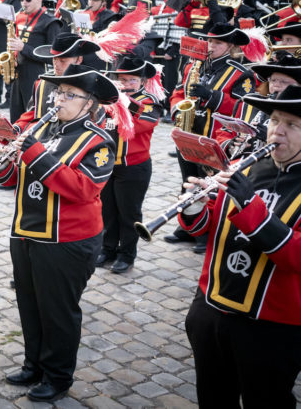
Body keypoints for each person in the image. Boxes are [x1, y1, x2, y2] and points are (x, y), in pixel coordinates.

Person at [0, 65, 119, 401]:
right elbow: (17, 179)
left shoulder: (99, 142)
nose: (58, 99)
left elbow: (83, 189)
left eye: (68, 95)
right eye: (57, 93)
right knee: (30, 304)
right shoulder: (45, 129)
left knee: (58, 310)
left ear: (89, 104)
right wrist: (3, 163)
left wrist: (31, 151)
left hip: (67, 240)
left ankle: (58, 375)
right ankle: (33, 363)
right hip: (26, 230)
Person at [179, 85, 301, 408]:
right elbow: (213, 227)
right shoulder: (246, 166)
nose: (278, 131)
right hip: (211, 309)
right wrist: (195, 208)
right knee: (213, 398)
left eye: (293, 125)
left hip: (270, 328)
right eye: (275, 120)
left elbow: (296, 255)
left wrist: (249, 203)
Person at [167, 23, 257, 251]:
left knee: (208, 184)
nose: (211, 46)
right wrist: (178, 108)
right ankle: (186, 226)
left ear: (229, 46)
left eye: (217, 43)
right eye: (210, 41)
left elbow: (242, 108)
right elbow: (178, 92)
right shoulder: (193, 65)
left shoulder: (241, 73)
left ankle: (205, 234)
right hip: (187, 133)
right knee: (187, 180)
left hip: (213, 139)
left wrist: (212, 96)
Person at [98, 56, 160, 274]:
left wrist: (121, 101)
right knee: (108, 211)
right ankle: (107, 248)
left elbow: (139, 126)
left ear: (141, 81)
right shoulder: (109, 100)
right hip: (107, 164)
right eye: (122, 80)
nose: (126, 85)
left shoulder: (149, 101)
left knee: (129, 213)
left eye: (132, 80)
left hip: (134, 166)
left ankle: (127, 254)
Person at [8, 0, 63, 121]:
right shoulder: (20, 16)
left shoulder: (50, 22)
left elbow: (53, 56)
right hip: (18, 72)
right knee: (15, 114)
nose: (24, 3)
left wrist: (23, 48)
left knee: (32, 115)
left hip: (36, 75)